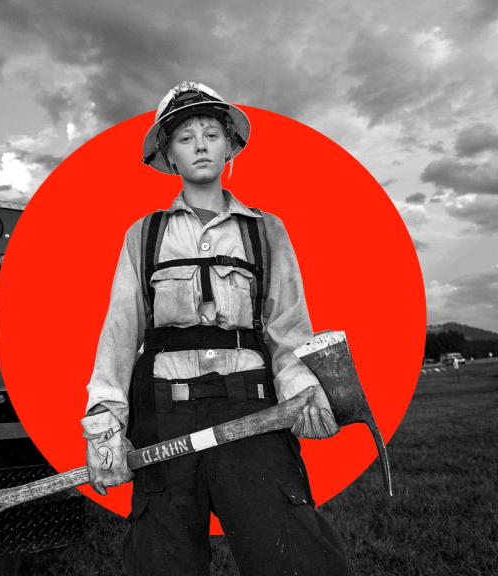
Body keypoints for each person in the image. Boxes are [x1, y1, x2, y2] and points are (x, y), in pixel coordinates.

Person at [81, 81, 351, 575]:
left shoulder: (265, 229)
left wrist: (305, 394)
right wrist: (104, 423)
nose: (200, 145)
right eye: (185, 138)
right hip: (162, 416)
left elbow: (287, 327)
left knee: (294, 556)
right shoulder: (144, 235)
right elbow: (119, 332)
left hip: (253, 409)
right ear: (168, 155)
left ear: (230, 146)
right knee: (163, 561)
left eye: (210, 133)